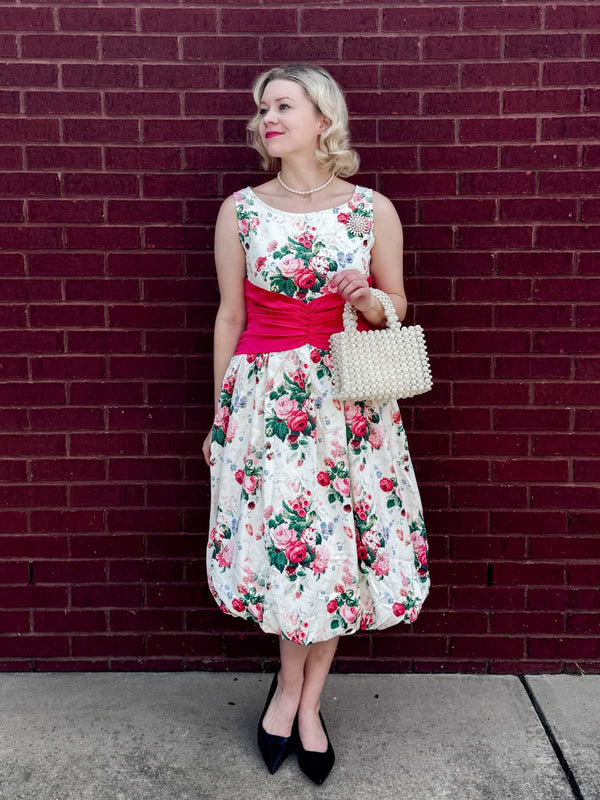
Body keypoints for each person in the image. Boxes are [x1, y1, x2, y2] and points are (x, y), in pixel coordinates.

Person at [202, 63, 430, 785]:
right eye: (262, 108)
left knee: (337, 553)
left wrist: (366, 297)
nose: (266, 118)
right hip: (268, 405)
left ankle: (305, 702)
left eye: (282, 106)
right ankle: (289, 692)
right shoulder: (241, 210)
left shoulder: (371, 210)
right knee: (290, 548)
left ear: (323, 119)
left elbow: (397, 307)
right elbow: (230, 316)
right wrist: (221, 417)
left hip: (348, 405)